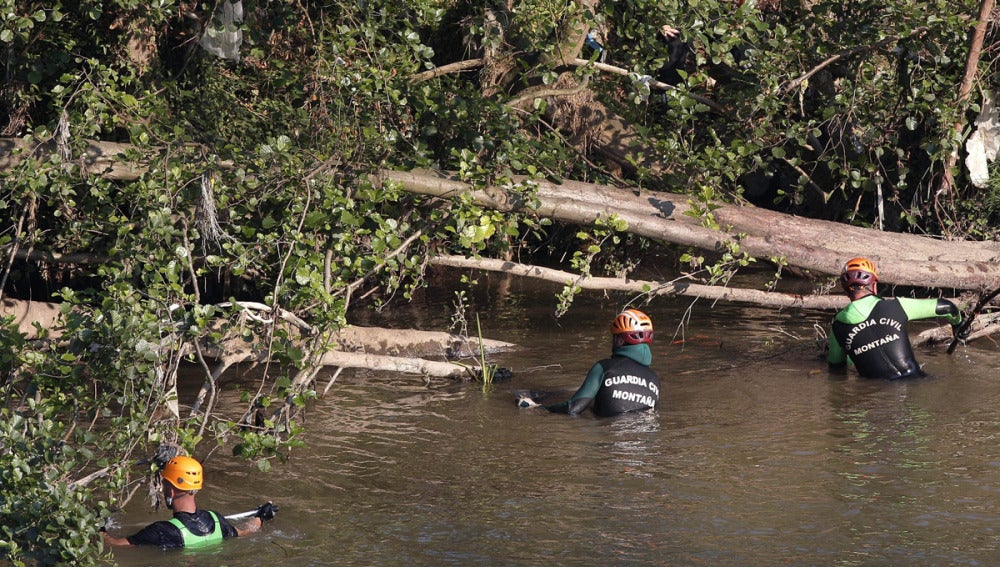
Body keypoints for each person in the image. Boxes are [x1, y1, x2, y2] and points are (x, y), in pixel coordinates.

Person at [827, 257, 966, 380]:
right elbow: (947, 307)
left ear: (846, 290)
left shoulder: (837, 326)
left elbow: (836, 368)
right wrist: (958, 326)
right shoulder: (897, 306)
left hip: (875, 401)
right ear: (874, 285)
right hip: (916, 384)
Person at [102, 455, 278, 549]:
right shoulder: (216, 520)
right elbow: (245, 531)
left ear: (171, 490)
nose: (162, 490)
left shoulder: (162, 531)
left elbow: (115, 544)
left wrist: (99, 528)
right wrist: (261, 516)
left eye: (163, 485)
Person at [518, 308, 661, 417]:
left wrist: (537, 407)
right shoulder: (654, 379)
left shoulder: (604, 368)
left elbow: (573, 409)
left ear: (620, 340)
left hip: (609, 442)